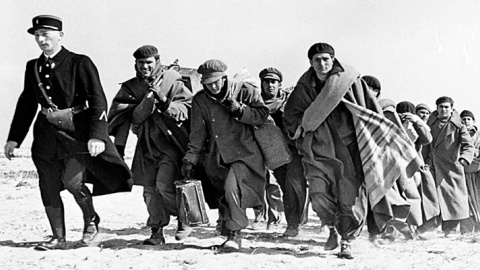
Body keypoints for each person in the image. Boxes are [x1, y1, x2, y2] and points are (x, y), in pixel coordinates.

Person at [4, 15, 132, 251]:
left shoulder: (80, 62)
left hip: (76, 134)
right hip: (45, 136)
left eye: (46, 34)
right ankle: (58, 237)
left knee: (72, 182)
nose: (41, 40)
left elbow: (97, 100)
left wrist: (97, 135)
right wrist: (14, 138)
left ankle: (91, 219)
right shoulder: (33, 66)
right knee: (48, 186)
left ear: (60, 35)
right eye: (37, 35)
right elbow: (27, 103)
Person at [284, 43, 420, 259]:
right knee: (319, 194)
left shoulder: (349, 81)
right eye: (317, 59)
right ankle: (330, 228)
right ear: (311, 63)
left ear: (333, 60)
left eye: (326, 58)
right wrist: (302, 128)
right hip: (318, 151)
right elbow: (290, 116)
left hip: (350, 148)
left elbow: (371, 110)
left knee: (350, 197)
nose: (322, 63)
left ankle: (347, 240)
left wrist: (375, 139)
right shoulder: (303, 87)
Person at [108, 45, 193, 245]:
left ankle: (184, 218)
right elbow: (120, 114)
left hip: (170, 144)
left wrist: (165, 103)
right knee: (149, 191)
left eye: (149, 63)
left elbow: (187, 107)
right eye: (140, 63)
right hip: (145, 145)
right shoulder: (130, 87)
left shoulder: (172, 82)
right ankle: (157, 231)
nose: (145, 67)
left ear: (157, 61)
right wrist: (140, 109)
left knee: (164, 185)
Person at [181, 59, 269, 251]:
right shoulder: (200, 100)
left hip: (245, 153)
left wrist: (240, 110)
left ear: (224, 77)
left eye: (216, 81)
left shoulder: (244, 90)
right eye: (208, 83)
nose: (213, 86)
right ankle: (228, 227)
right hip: (217, 157)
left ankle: (235, 234)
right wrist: (190, 158)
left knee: (232, 188)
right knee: (224, 195)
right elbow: (198, 133)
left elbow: (262, 114)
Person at [257, 67, 308, 236]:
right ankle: (293, 221)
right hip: (273, 152)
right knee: (285, 187)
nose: (270, 85)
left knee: (294, 185)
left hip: (293, 150)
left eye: (274, 82)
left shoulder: (289, 102)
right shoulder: (257, 104)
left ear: (280, 84)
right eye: (267, 82)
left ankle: (293, 224)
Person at [423, 96, 474, 237]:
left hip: (452, 167)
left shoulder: (458, 126)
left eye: (446, 107)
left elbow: (468, 145)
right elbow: (426, 145)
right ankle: (431, 227)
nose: (444, 109)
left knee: (455, 199)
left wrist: (464, 158)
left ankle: (455, 229)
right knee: (432, 196)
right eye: (441, 107)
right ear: (437, 108)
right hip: (433, 166)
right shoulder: (431, 124)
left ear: (452, 109)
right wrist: (425, 161)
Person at [459, 110, 480, 233]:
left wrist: (475, 154)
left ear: (473, 121)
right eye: (463, 119)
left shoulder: (478, 135)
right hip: (462, 172)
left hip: (477, 173)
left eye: (468, 119)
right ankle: (465, 229)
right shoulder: (457, 134)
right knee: (465, 200)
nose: (466, 122)